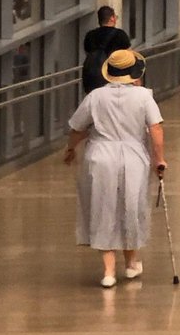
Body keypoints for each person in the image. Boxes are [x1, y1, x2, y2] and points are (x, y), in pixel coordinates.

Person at [63, 50, 167, 288]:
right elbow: (156, 130)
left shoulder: (95, 97)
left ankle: (108, 271)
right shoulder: (143, 96)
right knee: (131, 205)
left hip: (100, 156)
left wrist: (70, 149)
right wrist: (159, 159)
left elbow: (77, 128)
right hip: (133, 156)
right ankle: (131, 264)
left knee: (103, 207)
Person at [81, 6, 131, 94]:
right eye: (116, 17)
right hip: (113, 77)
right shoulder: (120, 34)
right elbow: (129, 56)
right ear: (112, 18)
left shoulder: (90, 35)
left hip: (93, 78)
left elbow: (88, 54)